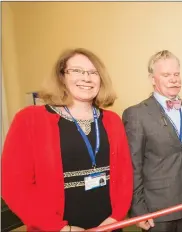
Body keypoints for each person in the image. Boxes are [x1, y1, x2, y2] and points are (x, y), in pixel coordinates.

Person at [1, 48, 133, 231]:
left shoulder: (112, 120)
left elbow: (125, 176)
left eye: (93, 72)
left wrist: (115, 218)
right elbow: (15, 186)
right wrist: (61, 228)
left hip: (108, 226)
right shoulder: (29, 119)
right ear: (61, 76)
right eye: (77, 71)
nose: (86, 78)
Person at [122, 50, 182, 232]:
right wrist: (138, 209)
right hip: (156, 209)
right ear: (153, 79)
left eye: (176, 74)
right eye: (166, 75)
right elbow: (132, 165)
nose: (174, 79)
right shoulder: (136, 114)